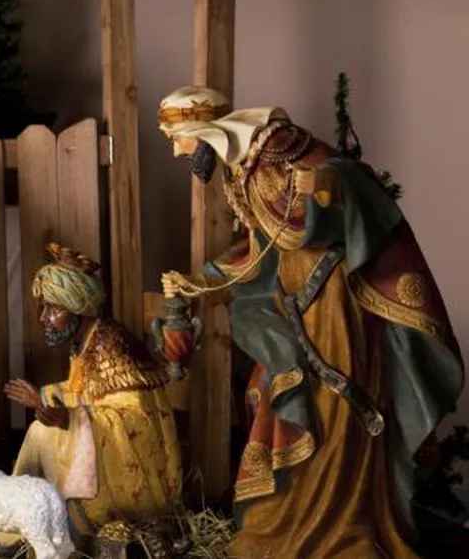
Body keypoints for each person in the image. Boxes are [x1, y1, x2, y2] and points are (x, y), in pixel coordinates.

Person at [157, 86, 463, 558]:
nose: (178, 151)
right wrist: (202, 281)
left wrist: (324, 186)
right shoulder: (243, 167)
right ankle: (285, 521)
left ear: (204, 130)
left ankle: (342, 527)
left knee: (334, 410)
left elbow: (350, 179)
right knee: (277, 399)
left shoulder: (281, 146)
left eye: (177, 138)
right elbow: (261, 249)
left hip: (334, 305)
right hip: (293, 305)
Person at [1, 243, 181, 551]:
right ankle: (20, 518)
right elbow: (87, 392)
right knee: (40, 431)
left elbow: (132, 419)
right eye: (43, 308)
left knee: (45, 436)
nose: (44, 318)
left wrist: (68, 418)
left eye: (54, 309)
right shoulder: (85, 340)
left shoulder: (110, 344)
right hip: (94, 442)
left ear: (79, 307)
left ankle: (53, 522)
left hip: (135, 469)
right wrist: (48, 400)